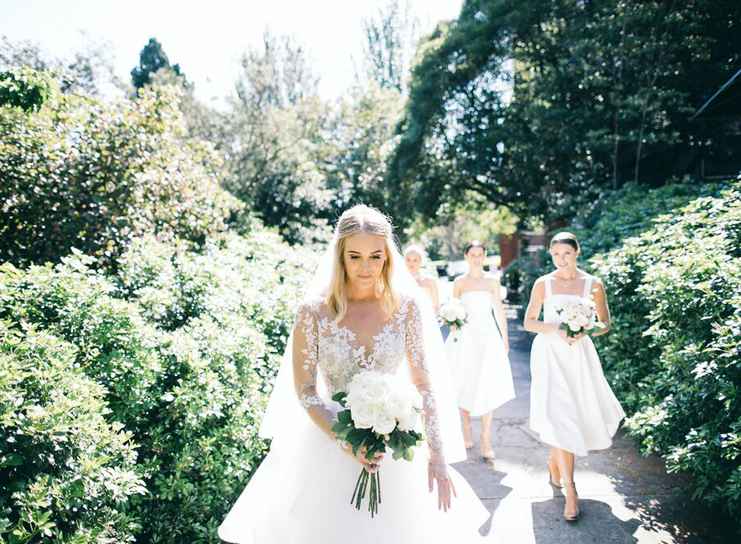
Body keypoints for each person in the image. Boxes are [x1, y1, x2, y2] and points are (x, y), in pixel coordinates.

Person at [218, 205, 489, 543]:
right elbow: (305, 390)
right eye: (355, 257)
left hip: (396, 449)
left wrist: (437, 456)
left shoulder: (407, 307)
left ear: (388, 257)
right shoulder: (313, 312)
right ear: (340, 257)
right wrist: (345, 440)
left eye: (375, 256)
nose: (365, 267)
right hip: (327, 444)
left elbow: (423, 384)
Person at [523, 231, 625, 522]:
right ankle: (571, 490)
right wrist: (558, 328)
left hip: (579, 356)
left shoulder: (594, 284)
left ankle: (556, 463)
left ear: (577, 252)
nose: (561, 259)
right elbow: (529, 322)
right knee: (558, 414)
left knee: (574, 414)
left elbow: (605, 323)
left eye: (566, 253)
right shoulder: (543, 283)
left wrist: (584, 328)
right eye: (555, 254)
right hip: (549, 355)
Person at [446, 241, 515, 462]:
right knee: (463, 381)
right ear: (466, 256)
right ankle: (466, 428)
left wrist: (505, 339)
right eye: (472, 254)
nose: (476, 258)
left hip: (487, 338)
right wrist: (453, 326)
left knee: (488, 384)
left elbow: (499, 311)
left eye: (480, 254)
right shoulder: (459, 282)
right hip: (464, 337)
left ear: (484, 257)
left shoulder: (492, 281)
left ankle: (485, 437)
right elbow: (452, 310)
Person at [404, 244, 440, 312]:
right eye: (408, 260)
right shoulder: (400, 281)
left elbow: (436, 306)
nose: (411, 263)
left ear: (421, 261)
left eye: (415, 260)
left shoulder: (430, 281)